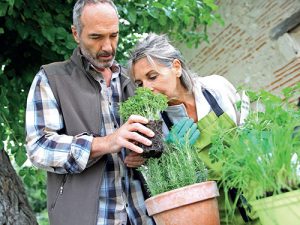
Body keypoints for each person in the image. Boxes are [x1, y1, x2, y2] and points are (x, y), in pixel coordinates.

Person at [25, 1, 156, 225]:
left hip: (144, 216)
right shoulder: (51, 78)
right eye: (96, 37)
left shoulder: (132, 79)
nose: (107, 47)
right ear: (76, 33)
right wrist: (106, 143)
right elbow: (39, 147)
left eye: (113, 35)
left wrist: (146, 153)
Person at [127, 33, 256, 225]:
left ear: (176, 67)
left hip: (258, 197)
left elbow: (252, 131)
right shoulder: (156, 124)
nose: (146, 88)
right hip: (213, 216)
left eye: (152, 77)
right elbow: (170, 187)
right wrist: (172, 154)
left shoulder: (216, 88)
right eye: (140, 83)